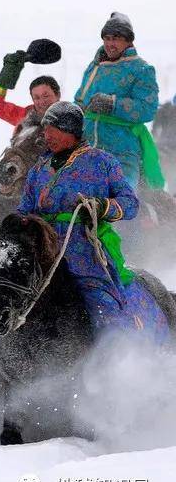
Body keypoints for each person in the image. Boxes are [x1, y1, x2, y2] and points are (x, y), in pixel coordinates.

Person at [18, 102, 168, 341]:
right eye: (45, 129)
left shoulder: (102, 162)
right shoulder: (39, 169)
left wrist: (103, 206)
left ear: (71, 131)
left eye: (52, 129)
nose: (46, 136)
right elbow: (23, 211)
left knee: (102, 304)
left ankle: (118, 349)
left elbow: (130, 204)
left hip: (83, 249)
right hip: (43, 249)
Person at [74, 12, 163, 189]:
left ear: (128, 41)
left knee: (121, 198)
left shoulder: (141, 69)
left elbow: (148, 108)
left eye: (115, 38)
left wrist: (113, 104)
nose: (109, 44)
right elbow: (79, 100)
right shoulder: (94, 66)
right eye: (106, 38)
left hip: (122, 152)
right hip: (86, 148)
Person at [0, 64, 61, 135]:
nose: (42, 102)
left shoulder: (69, 118)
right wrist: (3, 82)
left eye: (46, 96)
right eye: (37, 98)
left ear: (57, 95)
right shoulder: (25, 116)